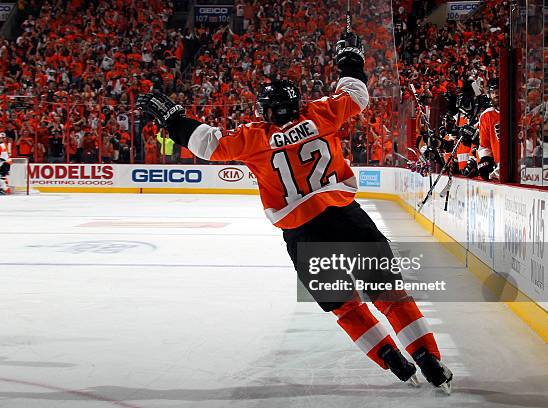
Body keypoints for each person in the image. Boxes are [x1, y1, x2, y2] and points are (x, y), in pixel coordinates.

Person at [139, 29, 453, 393]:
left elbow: (208, 144)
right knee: (389, 293)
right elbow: (357, 94)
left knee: (345, 307)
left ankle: (391, 359)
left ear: (267, 110)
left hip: (303, 234)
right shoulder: (320, 114)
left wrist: (173, 119)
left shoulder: (254, 137)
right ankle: (428, 357)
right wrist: (349, 58)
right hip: (346, 218)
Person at [477, 78, 500, 180]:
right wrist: (485, 159)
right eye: (493, 92)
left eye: (498, 92)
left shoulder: (517, 110)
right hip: (499, 168)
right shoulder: (486, 115)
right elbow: (484, 145)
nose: (496, 95)